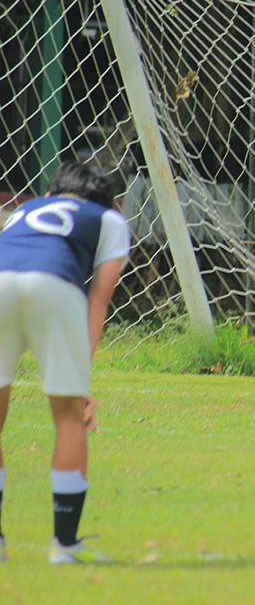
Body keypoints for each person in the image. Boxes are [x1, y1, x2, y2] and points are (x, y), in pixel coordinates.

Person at [0, 162, 131, 564]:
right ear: (111, 201)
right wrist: (81, 384)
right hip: (55, 287)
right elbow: (98, 299)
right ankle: (65, 544)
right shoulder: (109, 218)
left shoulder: (25, 209)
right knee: (69, 417)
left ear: (53, 192)